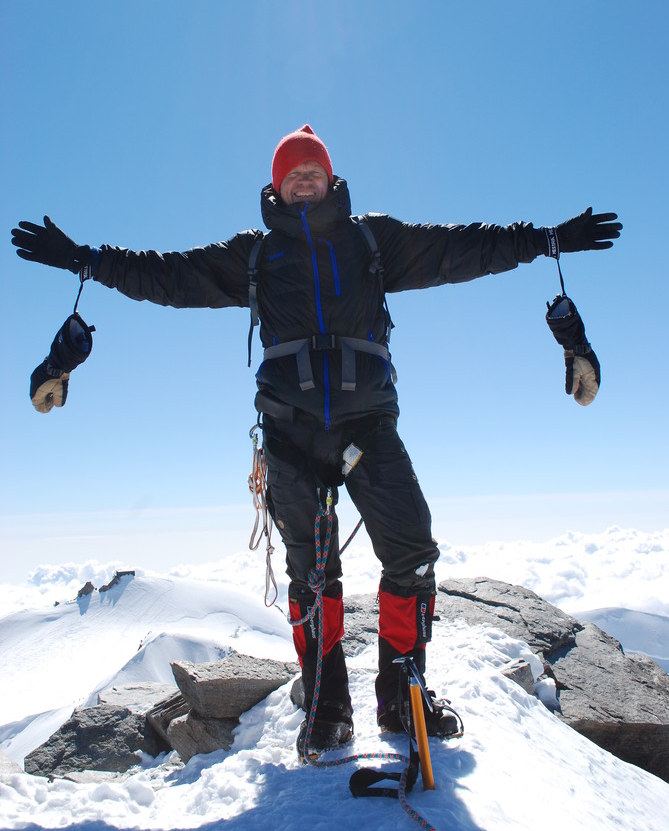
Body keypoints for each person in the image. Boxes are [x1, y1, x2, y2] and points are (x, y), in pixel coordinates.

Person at [11, 124, 622, 757]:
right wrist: (86, 259)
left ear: (330, 179)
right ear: (277, 185)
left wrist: (548, 240)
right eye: (293, 173)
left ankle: (403, 697)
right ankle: (327, 706)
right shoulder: (253, 256)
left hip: (368, 427)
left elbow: (462, 248)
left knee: (412, 552)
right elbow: (164, 276)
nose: (305, 180)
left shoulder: (371, 241)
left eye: (314, 171)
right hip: (290, 434)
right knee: (310, 576)